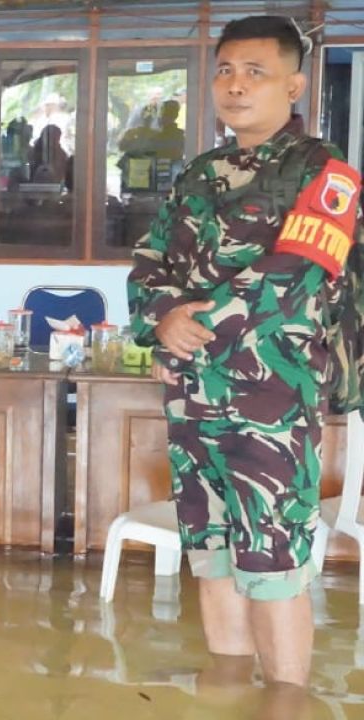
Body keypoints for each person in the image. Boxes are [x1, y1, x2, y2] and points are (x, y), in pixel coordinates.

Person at [128, 15, 363, 689]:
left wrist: (196, 324)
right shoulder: (198, 175)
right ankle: (227, 690)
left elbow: (295, 276)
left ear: (294, 83)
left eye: (254, 72)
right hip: (194, 399)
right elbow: (151, 260)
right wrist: (163, 317)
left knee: (273, 560)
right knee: (213, 552)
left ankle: (286, 703)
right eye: (225, 70)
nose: (235, 86)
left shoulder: (328, 176)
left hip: (271, 401)